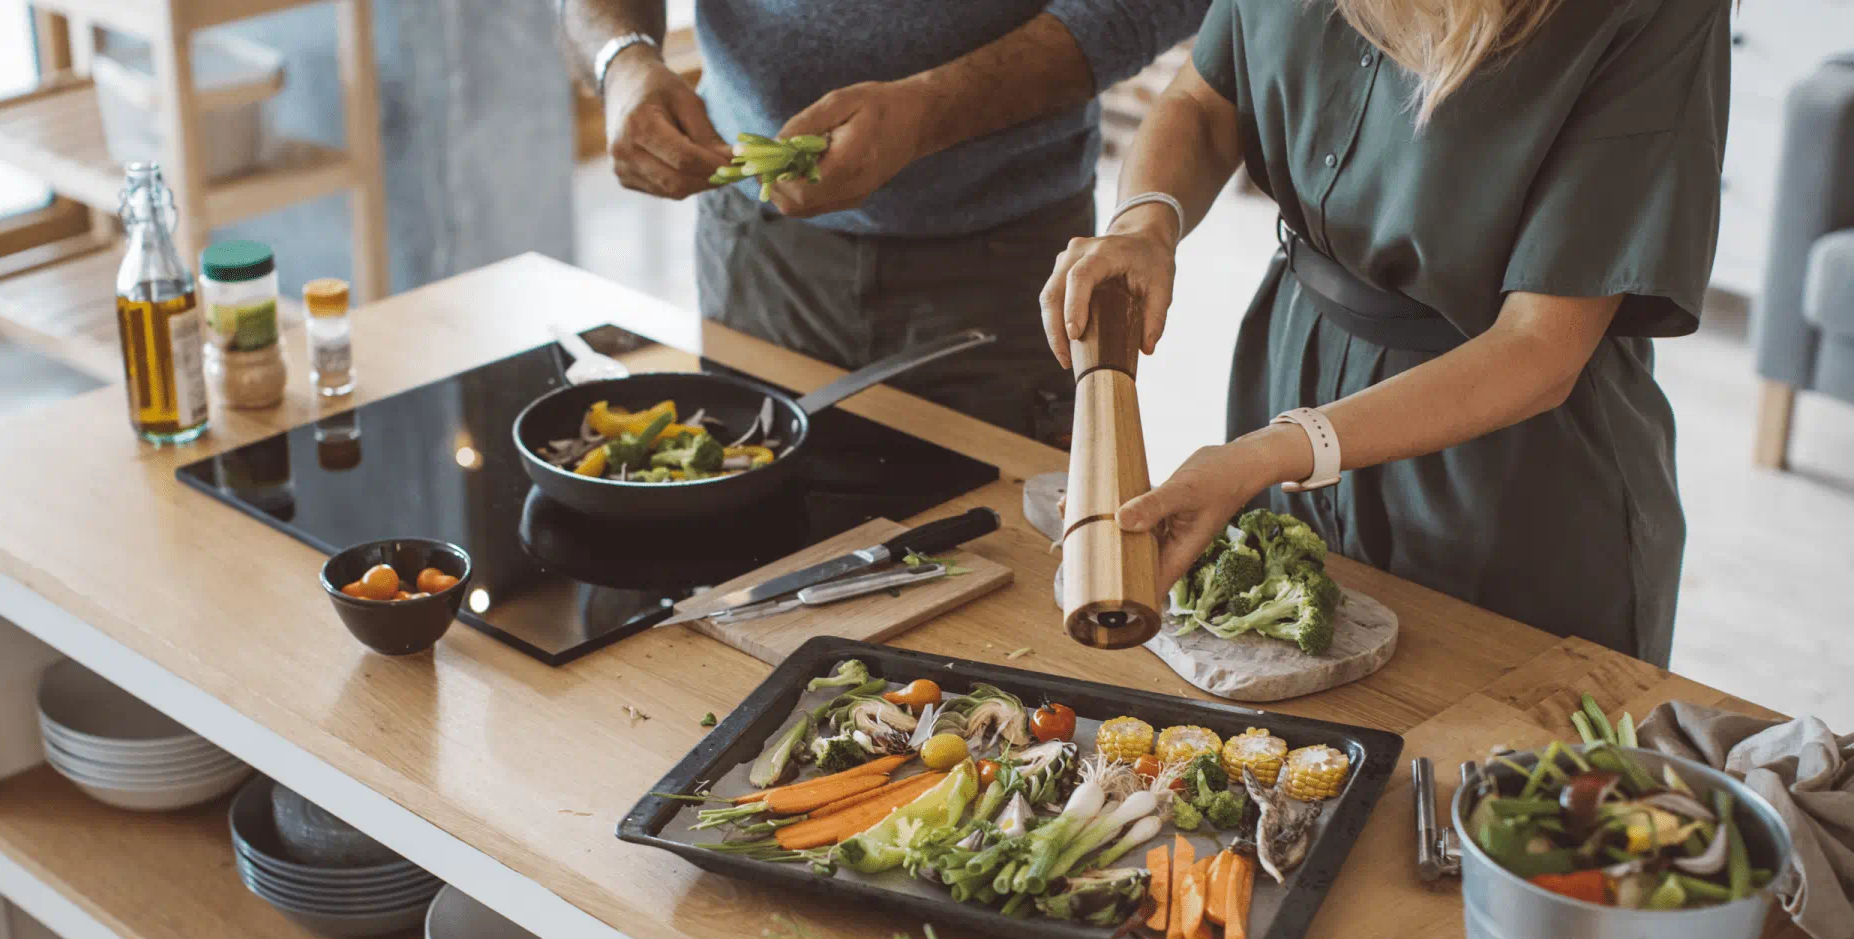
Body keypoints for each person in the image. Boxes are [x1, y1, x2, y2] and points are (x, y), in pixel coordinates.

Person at [1042, 0, 1729, 665]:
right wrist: (1144, 223)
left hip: (1508, 464)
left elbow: (1540, 347)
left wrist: (1272, 453)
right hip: (1290, 362)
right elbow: (1201, 102)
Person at [559, 0, 1209, 445]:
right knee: (754, 537)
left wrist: (932, 111)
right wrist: (621, 59)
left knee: (1011, 583)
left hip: (1010, 267)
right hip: (756, 252)